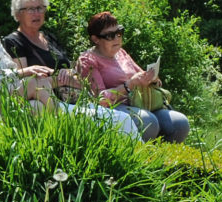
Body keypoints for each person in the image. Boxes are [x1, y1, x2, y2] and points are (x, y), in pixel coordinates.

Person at [4, 0, 140, 138]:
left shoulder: (49, 37)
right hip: (52, 102)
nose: (37, 13)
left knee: (122, 118)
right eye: (30, 9)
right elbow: (25, 82)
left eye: (40, 8)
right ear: (17, 14)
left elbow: (76, 75)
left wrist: (70, 76)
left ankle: (135, 158)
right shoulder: (14, 42)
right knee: (121, 119)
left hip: (76, 98)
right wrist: (60, 80)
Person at [76, 10, 190, 143]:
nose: (117, 38)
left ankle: (165, 159)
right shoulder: (88, 60)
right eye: (110, 36)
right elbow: (99, 100)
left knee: (180, 123)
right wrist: (129, 85)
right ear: (96, 39)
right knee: (148, 122)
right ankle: (141, 159)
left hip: (141, 103)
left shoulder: (121, 53)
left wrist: (151, 79)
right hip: (114, 108)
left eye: (119, 33)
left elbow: (140, 74)